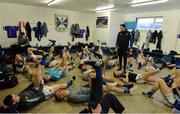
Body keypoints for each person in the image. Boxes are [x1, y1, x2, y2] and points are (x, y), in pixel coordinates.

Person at [3, 56, 76, 112]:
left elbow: (27, 89)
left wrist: (34, 83)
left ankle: (43, 60)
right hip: (43, 93)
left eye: (14, 95)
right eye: (14, 97)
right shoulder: (25, 103)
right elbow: (37, 97)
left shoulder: (18, 96)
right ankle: (71, 82)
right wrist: (42, 84)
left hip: (35, 89)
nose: (16, 95)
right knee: (60, 86)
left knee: (36, 75)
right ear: (13, 103)